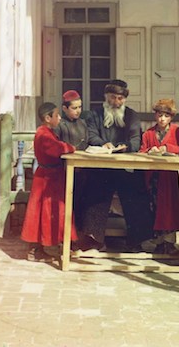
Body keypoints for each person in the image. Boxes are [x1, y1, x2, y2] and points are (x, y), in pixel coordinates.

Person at [78, 79, 155, 252]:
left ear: (125, 99)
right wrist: (103, 144)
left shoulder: (131, 116)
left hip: (124, 167)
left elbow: (136, 140)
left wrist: (125, 147)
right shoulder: (95, 115)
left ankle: (138, 241)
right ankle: (94, 240)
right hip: (101, 168)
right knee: (94, 191)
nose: (116, 102)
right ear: (106, 97)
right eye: (113, 97)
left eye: (120, 98)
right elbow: (91, 136)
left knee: (136, 193)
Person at [21, 102, 78, 262]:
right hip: (46, 179)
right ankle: (35, 250)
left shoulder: (47, 132)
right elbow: (56, 148)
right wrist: (70, 147)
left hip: (52, 177)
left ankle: (55, 244)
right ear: (47, 118)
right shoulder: (43, 134)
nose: (59, 118)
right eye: (56, 115)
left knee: (52, 212)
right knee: (42, 212)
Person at [139, 98, 179, 255]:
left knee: (170, 208)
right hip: (153, 177)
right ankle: (158, 242)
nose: (162, 119)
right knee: (154, 208)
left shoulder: (177, 132)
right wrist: (149, 151)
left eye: (166, 116)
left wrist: (167, 147)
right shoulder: (149, 133)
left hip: (169, 177)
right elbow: (141, 151)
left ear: (171, 117)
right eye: (159, 115)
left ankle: (169, 242)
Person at [54, 90, 89, 233]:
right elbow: (56, 147)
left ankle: (78, 234)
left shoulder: (83, 124)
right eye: (74, 108)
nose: (78, 111)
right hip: (65, 170)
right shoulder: (60, 125)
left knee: (81, 201)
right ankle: (65, 235)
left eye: (80, 107)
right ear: (64, 108)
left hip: (83, 170)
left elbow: (86, 142)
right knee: (67, 203)